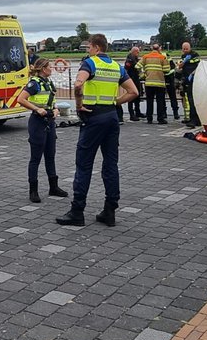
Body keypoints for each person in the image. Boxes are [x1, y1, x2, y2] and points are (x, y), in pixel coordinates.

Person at [58, 34, 138, 228]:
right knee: (111, 164)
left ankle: (77, 212)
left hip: (93, 117)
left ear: (95, 47)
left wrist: (78, 105)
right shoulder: (116, 67)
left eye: (88, 48)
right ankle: (109, 211)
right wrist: (114, 103)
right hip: (111, 117)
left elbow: (78, 85)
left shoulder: (90, 64)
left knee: (84, 164)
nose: (87, 51)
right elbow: (134, 92)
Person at [14, 58, 67, 202]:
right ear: (43, 69)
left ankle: (53, 187)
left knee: (50, 156)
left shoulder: (48, 83)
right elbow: (21, 99)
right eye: (50, 66)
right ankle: (33, 191)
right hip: (38, 122)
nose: (52, 69)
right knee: (36, 158)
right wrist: (37, 109)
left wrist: (55, 110)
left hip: (49, 122)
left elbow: (51, 101)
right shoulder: (34, 84)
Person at [140, 42, 171, 124]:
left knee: (149, 101)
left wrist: (143, 75)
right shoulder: (162, 57)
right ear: (159, 49)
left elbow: (137, 66)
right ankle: (160, 119)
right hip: (160, 83)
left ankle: (149, 119)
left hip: (149, 83)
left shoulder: (145, 57)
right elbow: (167, 70)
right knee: (160, 101)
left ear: (152, 48)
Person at [178, 42, 202, 127]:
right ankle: (193, 119)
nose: (184, 50)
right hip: (186, 80)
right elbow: (180, 66)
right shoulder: (183, 56)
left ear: (190, 48)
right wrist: (184, 61)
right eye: (183, 49)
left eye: (186, 49)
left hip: (194, 79)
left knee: (192, 100)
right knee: (189, 99)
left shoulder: (195, 54)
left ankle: (194, 120)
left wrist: (188, 61)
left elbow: (197, 63)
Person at [120, 45, 144, 122]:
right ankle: (131, 114)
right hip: (131, 79)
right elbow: (126, 70)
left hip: (136, 79)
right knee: (131, 97)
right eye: (137, 52)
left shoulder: (135, 58)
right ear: (134, 52)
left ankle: (138, 112)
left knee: (138, 96)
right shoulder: (129, 60)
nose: (138, 53)